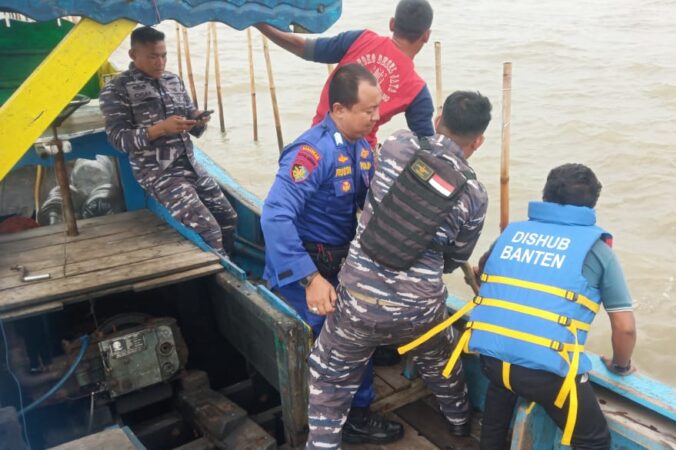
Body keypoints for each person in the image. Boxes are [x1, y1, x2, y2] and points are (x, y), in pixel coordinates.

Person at [304, 91, 492, 450]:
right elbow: (456, 257)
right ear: (478, 141)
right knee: (442, 359)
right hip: (419, 308)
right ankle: (458, 423)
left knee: (330, 380)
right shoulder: (474, 194)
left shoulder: (396, 144)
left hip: (358, 300)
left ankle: (323, 445)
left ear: (438, 121)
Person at [424, 163, 637, 449]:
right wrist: (621, 366)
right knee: (594, 440)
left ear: (545, 195)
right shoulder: (597, 249)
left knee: (502, 391)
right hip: (547, 376)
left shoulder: (512, 233)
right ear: (591, 205)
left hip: (492, 361)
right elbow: (624, 329)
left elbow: (482, 270)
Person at [260, 64, 403, 444]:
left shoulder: (361, 146)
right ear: (339, 109)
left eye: (377, 110)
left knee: (360, 335)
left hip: (341, 261)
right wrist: (311, 278)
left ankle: (355, 409)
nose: (376, 118)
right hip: (309, 268)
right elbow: (275, 215)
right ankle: (346, 416)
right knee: (338, 344)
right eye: (368, 111)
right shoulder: (313, 151)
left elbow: (366, 202)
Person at [100, 26, 237, 254]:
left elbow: (188, 114)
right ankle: (220, 277)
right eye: (152, 57)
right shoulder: (117, 89)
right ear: (133, 55)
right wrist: (161, 129)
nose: (160, 62)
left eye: (163, 55)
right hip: (159, 173)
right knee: (209, 230)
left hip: (190, 164)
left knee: (228, 216)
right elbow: (118, 140)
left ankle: (232, 265)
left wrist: (197, 120)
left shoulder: (173, 80)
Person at [256, 0, 435, 149]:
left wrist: (257, 22)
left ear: (392, 24)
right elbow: (427, 147)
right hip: (359, 160)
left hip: (317, 143)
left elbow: (303, 47)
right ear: (426, 35)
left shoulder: (361, 39)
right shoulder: (417, 90)